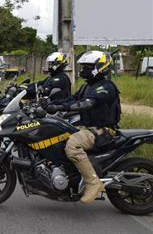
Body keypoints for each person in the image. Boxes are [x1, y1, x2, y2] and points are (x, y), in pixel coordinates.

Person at [47, 51, 121, 204]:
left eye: (88, 66)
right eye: (84, 66)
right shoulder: (88, 85)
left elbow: (87, 103)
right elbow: (73, 99)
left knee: (73, 146)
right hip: (88, 128)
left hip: (103, 130)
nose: (84, 70)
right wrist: (52, 105)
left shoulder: (106, 87)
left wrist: (63, 107)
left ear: (100, 67)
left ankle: (93, 182)